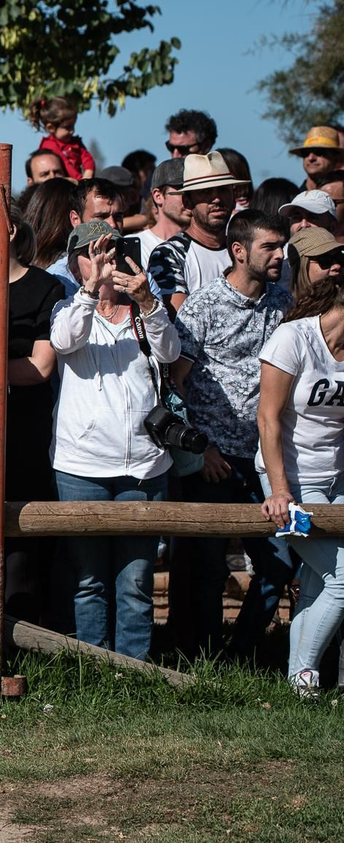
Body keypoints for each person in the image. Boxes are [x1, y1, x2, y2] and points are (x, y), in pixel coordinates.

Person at [168, 210, 294, 660]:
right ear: (238, 251)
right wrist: (200, 449)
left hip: (265, 456)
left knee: (279, 562)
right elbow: (174, 383)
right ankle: (199, 662)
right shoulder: (202, 306)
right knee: (204, 567)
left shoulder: (283, 303)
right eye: (270, 247)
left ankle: (242, 655)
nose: (280, 254)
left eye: (282, 246)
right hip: (213, 459)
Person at [49, 221, 178, 660]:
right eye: (92, 252)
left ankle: (133, 674)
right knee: (89, 580)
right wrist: (90, 288)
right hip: (80, 464)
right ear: (75, 263)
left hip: (144, 463)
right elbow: (64, 341)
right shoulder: (69, 308)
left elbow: (170, 353)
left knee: (137, 581)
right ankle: (95, 672)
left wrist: (146, 299)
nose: (103, 259)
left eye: (111, 250)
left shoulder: (147, 308)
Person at [0, 196, 63, 627]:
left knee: (20, 540)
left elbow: (40, 367)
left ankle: (23, 644)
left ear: (11, 233)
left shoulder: (45, 287)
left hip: (24, 427)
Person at [255, 275, 344, 696]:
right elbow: (267, 418)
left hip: (336, 480)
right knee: (342, 581)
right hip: (290, 482)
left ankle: (299, 688)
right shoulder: (293, 338)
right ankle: (305, 678)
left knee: (317, 579)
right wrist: (279, 489)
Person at [150, 151, 241, 316]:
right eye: (205, 192)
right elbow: (182, 324)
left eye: (223, 190)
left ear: (234, 197)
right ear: (187, 201)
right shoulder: (170, 255)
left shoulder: (246, 250)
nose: (216, 199)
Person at [45, 177, 125, 293]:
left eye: (118, 216)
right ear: (75, 219)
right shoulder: (57, 281)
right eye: (101, 217)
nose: (112, 224)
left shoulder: (134, 266)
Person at [28, 95, 95, 179]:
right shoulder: (49, 145)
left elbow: (87, 157)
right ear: (51, 128)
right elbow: (65, 164)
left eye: (73, 126)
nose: (72, 131)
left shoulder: (75, 142)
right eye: (67, 127)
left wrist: (89, 172)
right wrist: (79, 180)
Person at [137, 158, 188, 266]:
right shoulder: (137, 246)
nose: (190, 199)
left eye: (195, 192)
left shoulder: (207, 246)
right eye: (182, 191)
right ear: (158, 196)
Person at [287, 227, 344, 303]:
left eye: (339, 257)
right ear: (300, 267)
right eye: (325, 260)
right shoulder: (282, 309)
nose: (337, 266)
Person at [291, 126, 344, 192]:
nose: (311, 158)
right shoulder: (292, 199)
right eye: (306, 153)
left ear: (335, 158)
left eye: (319, 152)